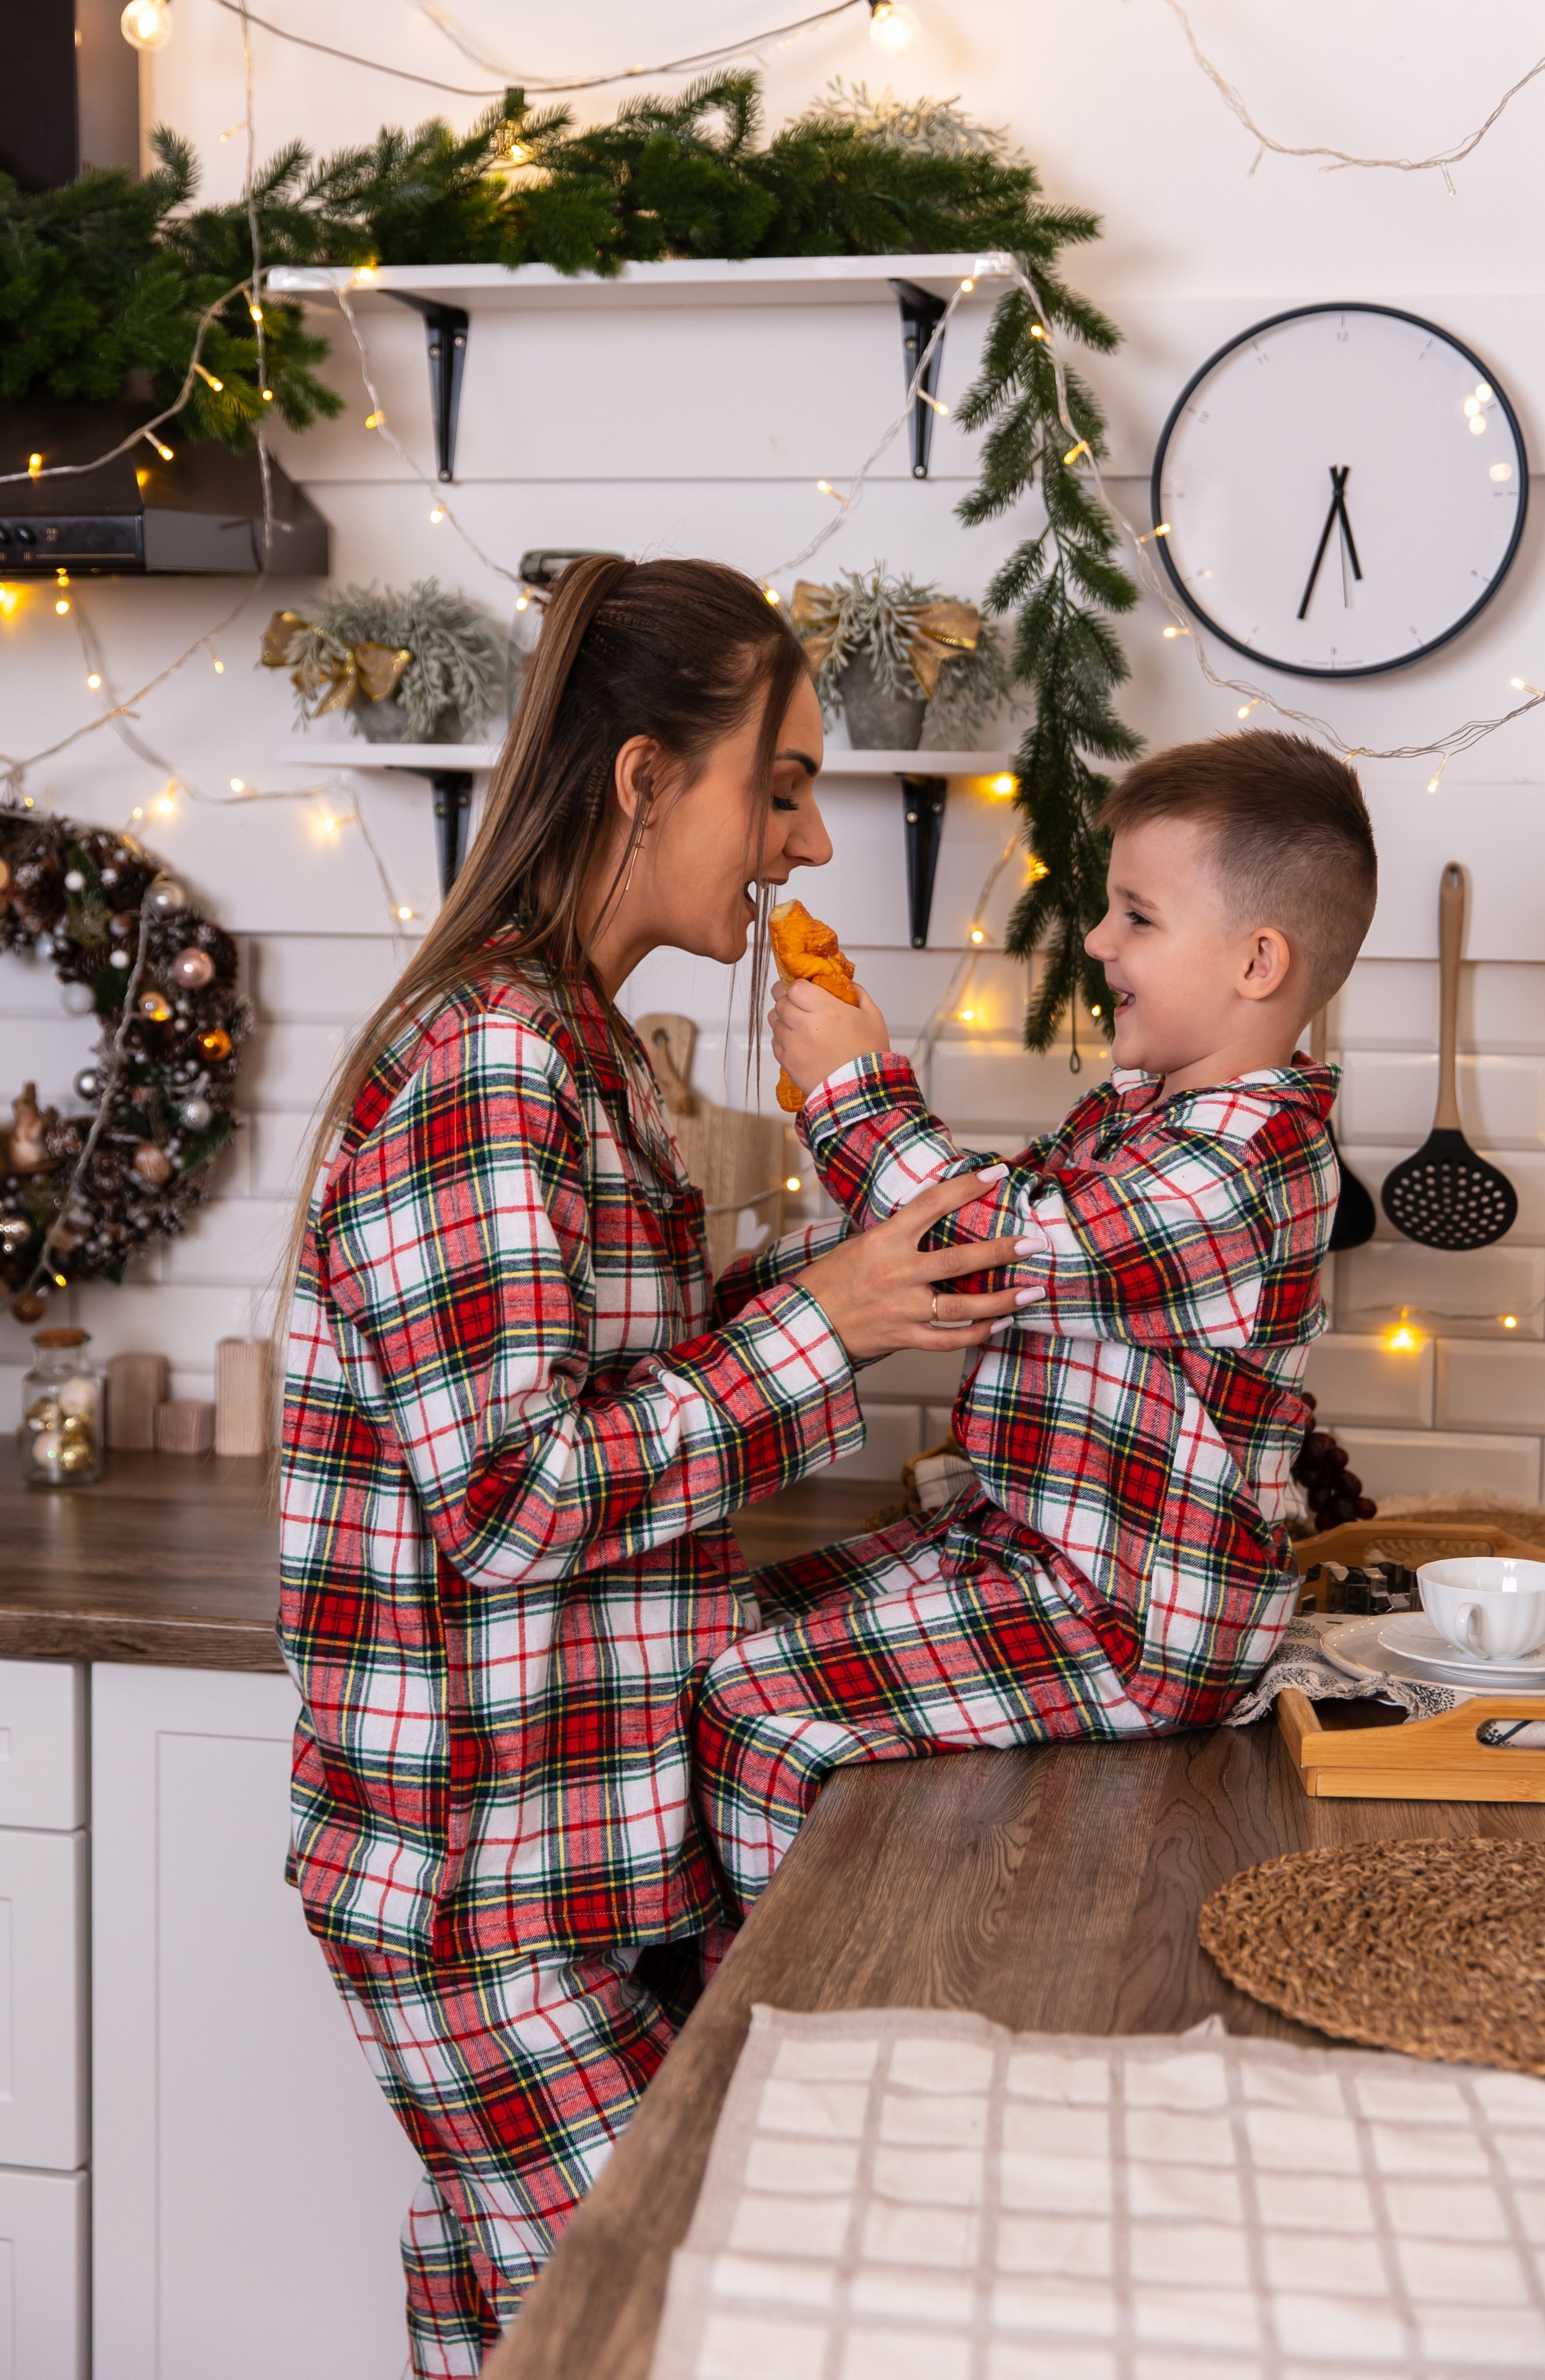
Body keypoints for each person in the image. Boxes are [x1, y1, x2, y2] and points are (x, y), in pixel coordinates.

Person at [276, 556, 1023, 2376]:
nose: (807, 845)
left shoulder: (592, 1050)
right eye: (777, 787)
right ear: (639, 780)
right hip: (478, 1893)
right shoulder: (488, 1063)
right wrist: (825, 1321)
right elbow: (515, 1495)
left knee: (525, 2321)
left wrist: (844, 1279)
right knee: (689, 2325)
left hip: (583, 1852)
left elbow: (615, 1381)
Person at [695, 729, 1376, 1911]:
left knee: (754, 1708)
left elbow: (997, 1243)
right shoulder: (1139, 1118)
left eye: (1137, 916)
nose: (1098, 943)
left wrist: (858, 1088)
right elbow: (965, 1251)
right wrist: (759, 1284)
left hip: (1139, 1620)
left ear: (1259, 961)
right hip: (1026, 1550)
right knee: (731, 1619)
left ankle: (766, 2015)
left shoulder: (1246, 1162)